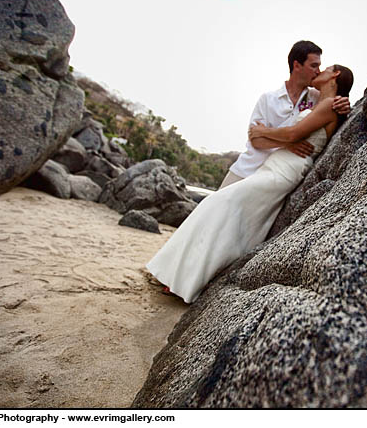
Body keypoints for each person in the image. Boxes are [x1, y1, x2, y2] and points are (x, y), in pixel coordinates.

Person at [146, 64, 354, 303]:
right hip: (272, 167)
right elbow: (290, 134)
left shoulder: (329, 104)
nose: (319, 71)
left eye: (324, 68)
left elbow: (293, 135)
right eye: (314, 65)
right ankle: (176, 275)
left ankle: (184, 281)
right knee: (229, 217)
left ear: (335, 75)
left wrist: (263, 131)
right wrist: (275, 137)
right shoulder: (321, 100)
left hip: (284, 171)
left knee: (219, 203)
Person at [219, 40, 350, 190]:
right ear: (297, 65)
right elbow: (256, 140)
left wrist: (345, 103)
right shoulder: (268, 99)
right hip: (246, 171)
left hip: (278, 177)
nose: (318, 71)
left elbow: (333, 103)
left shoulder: (317, 99)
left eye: (320, 66)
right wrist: (288, 144)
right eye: (314, 66)